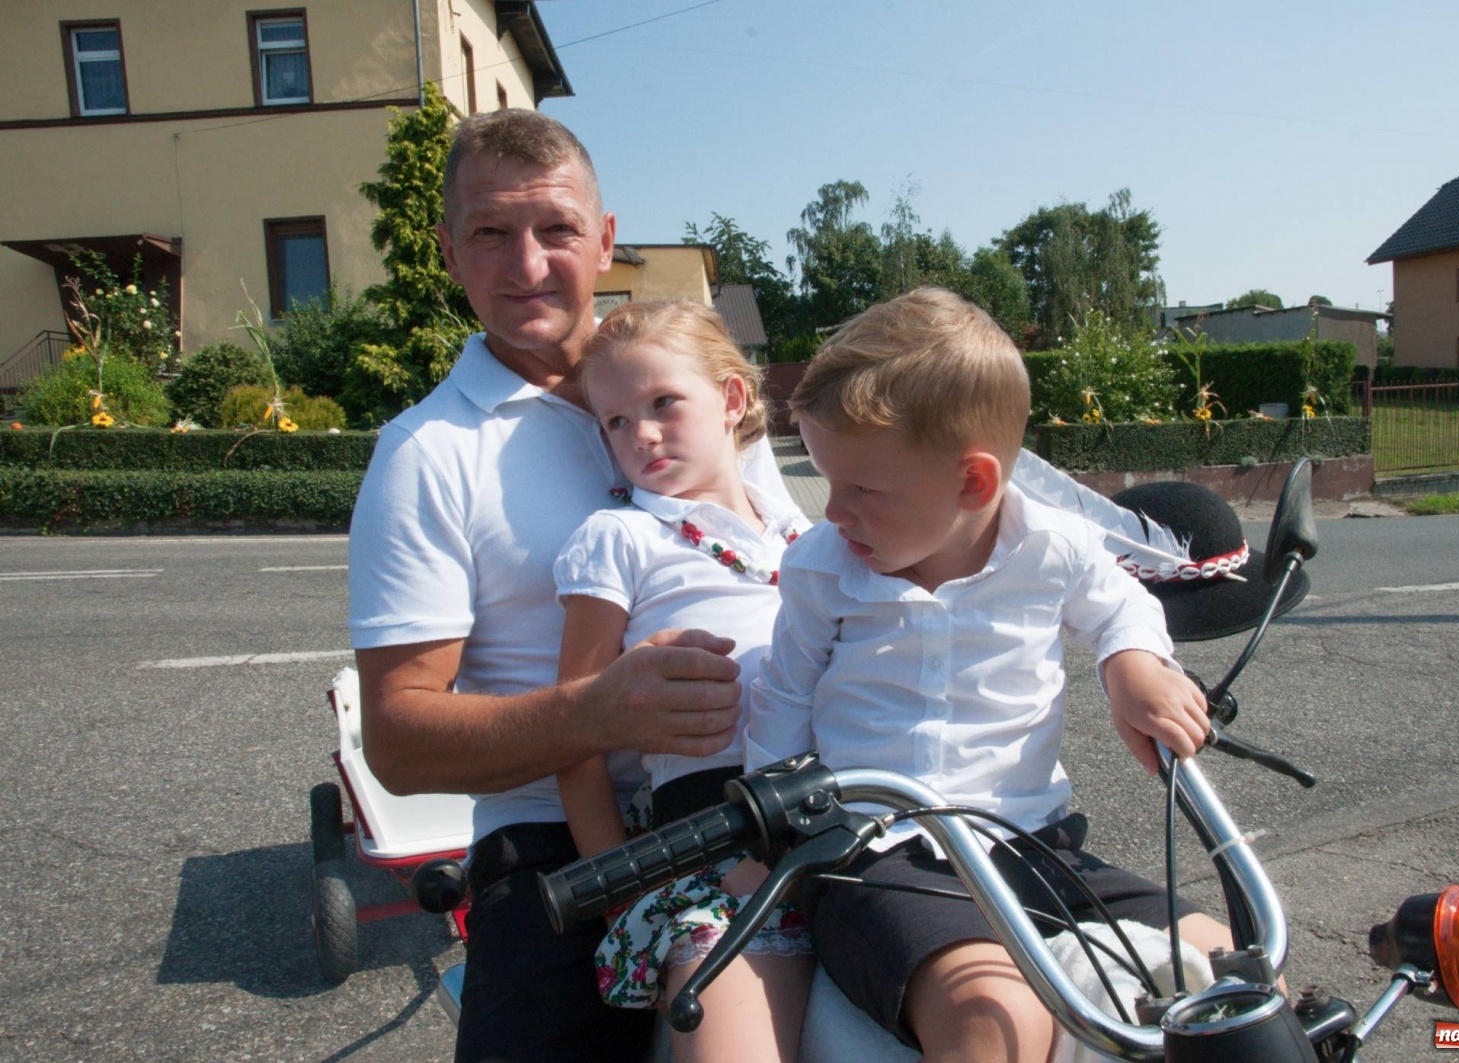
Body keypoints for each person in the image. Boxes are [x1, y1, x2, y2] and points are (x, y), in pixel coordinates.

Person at [346, 110, 790, 1063]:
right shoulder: (427, 453)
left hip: (768, 793)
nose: (528, 264)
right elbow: (396, 739)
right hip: (551, 839)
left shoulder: (693, 392)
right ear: (450, 253)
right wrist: (598, 712)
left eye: (555, 229)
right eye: (490, 234)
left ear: (605, 238)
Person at [744, 287, 1234, 1063]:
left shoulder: (1056, 545)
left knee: (1226, 954)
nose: (831, 511)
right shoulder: (823, 568)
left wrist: (1133, 666)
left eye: (861, 489)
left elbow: (1122, 608)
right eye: (828, 482)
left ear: (972, 483)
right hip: (878, 855)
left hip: (1030, 838)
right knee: (990, 1010)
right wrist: (764, 835)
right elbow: (784, 695)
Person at [552, 300, 814, 1063]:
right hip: (715, 837)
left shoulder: (804, 535)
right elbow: (577, 733)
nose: (641, 435)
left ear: (732, 400)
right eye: (615, 421)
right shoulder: (618, 537)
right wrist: (619, 893)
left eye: (664, 402)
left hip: (855, 813)